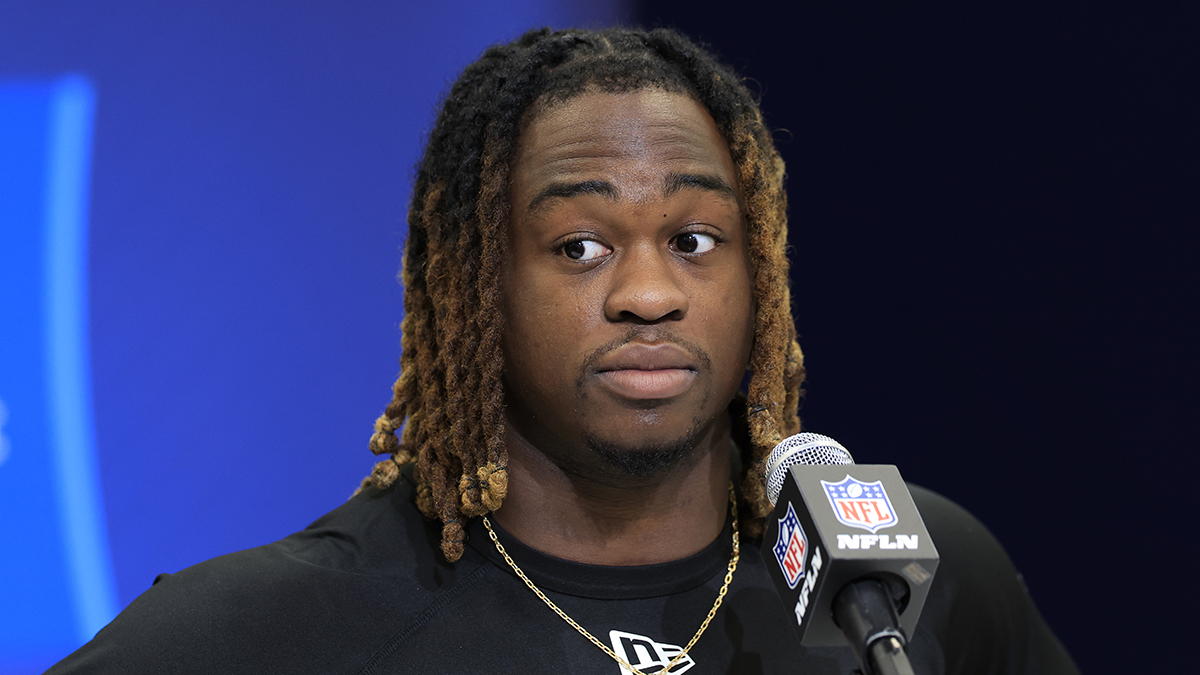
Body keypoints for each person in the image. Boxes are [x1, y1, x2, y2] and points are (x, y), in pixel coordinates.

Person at [47, 27, 1077, 674]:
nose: (650, 294)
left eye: (695, 240)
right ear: (474, 283)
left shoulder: (904, 583)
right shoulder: (276, 632)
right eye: (580, 246)